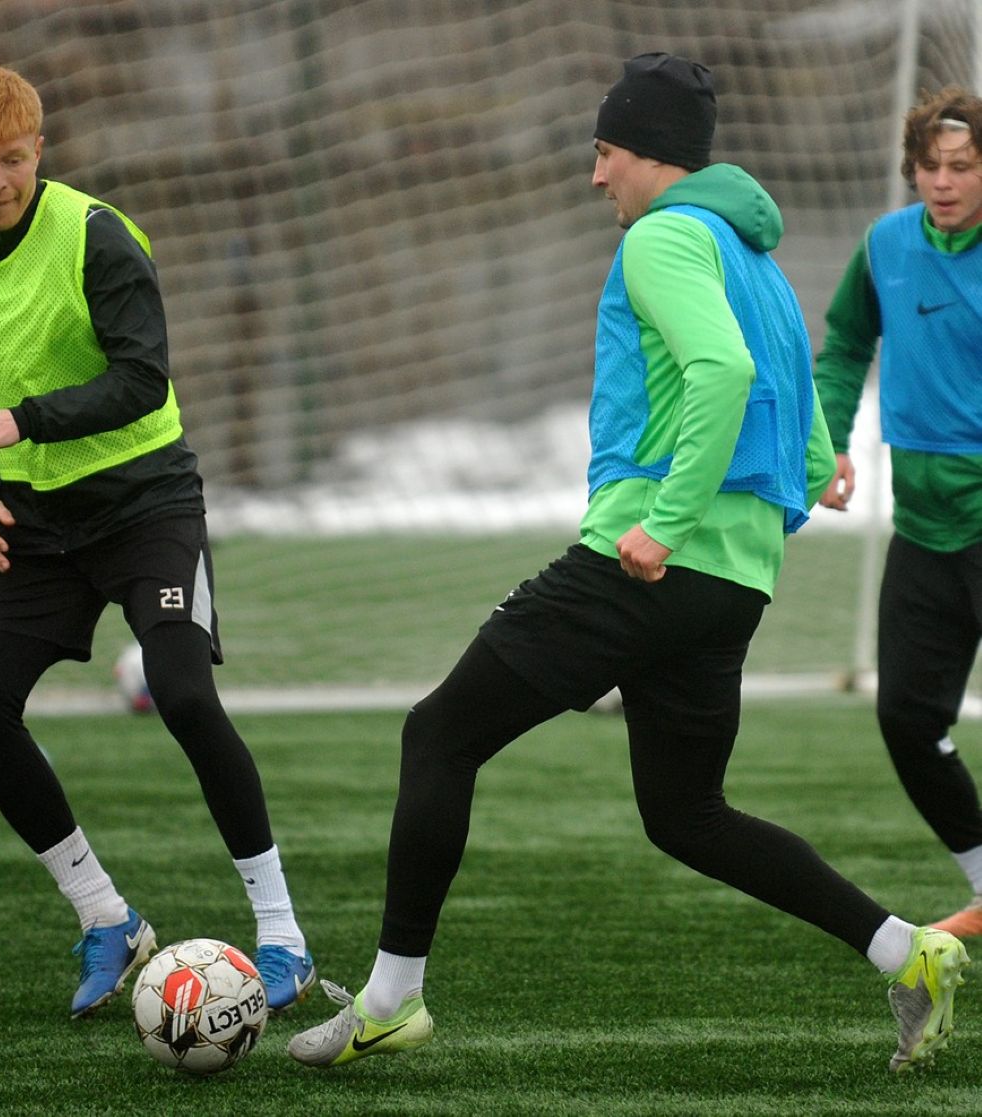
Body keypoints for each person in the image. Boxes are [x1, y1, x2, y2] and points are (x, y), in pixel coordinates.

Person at [288, 53, 970, 1075]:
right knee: (687, 814)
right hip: (731, 581)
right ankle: (905, 952)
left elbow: (725, 371)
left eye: (605, 150)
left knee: (438, 734)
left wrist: (666, 521)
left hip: (646, 561)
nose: (595, 173)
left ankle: (390, 1001)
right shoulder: (756, 258)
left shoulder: (663, 237)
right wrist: (783, 497)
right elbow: (801, 415)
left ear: (649, 152)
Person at [0, 61, 314, 1018]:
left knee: (183, 694)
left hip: (145, 504)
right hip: (35, 522)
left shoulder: (96, 235)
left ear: (40, 150)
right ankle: (106, 916)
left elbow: (142, 377)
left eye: (13, 158)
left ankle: (284, 934)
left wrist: (18, 420)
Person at [813, 87, 982, 938]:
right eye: (929, 166)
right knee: (908, 719)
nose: (942, 182)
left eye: (963, 166)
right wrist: (830, 440)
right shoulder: (886, 243)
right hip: (921, 525)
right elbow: (846, 344)